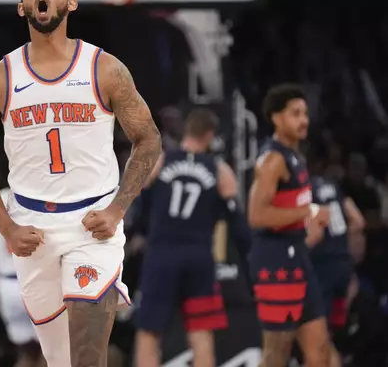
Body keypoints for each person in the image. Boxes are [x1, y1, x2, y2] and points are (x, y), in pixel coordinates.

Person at [0, 0, 162, 365]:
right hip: (32, 229)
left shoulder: (104, 68)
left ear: (71, 2)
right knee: (60, 360)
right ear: (21, 6)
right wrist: (7, 228)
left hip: (93, 225)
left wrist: (118, 210)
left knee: (87, 356)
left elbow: (148, 139)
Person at [135, 108, 251, 367]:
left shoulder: (161, 161)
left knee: (150, 332)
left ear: (187, 131)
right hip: (199, 256)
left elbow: (138, 205)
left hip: (162, 254)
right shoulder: (219, 170)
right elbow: (238, 225)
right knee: (200, 332)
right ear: (209, 135)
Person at [247, 84, 332, 367]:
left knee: (319, 351)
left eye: (305, 113)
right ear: (276, 118)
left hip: (298, 257)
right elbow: (257, 216)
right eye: (295, 113)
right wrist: (308, 210)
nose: (303, 119)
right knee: (276, 354)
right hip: (276, 263)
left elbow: (287, 210)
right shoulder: (273, 160)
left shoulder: (295, 155)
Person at [306, 166, 365, 367]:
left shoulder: (307, 190)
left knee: (319, 339)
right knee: (326, 338)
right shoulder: (333, 187)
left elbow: (315, 235)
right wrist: (339, 242)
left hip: (323, 271)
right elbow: (358, 221)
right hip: (343, 271)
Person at [0, 188, 45, 367]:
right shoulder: (40, 194)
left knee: (25, 352)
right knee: (49, 350)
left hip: (6, 283)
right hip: (37, 280)